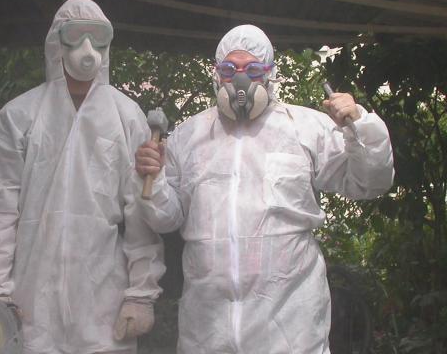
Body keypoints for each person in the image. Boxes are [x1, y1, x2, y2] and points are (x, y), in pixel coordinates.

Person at [134, 24, 394, 353]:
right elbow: (166, 218)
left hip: (290, 334)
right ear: (216, 74)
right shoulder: (188, 137)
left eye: (253, 70)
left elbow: (370, 182)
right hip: (208, 332)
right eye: (230, 69)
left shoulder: (304, 128)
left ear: (270, 74)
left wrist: (360, 125)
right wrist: (154, 178)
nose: (240, 80)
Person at [0, 0, 165, 354]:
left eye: (98, 37)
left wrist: (140, 294)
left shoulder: (127, 117)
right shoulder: (18, 118)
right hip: (31, 309)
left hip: (104, 310)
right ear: (56, 42)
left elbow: (140, 218)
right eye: (76, 35)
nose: (87, 48)